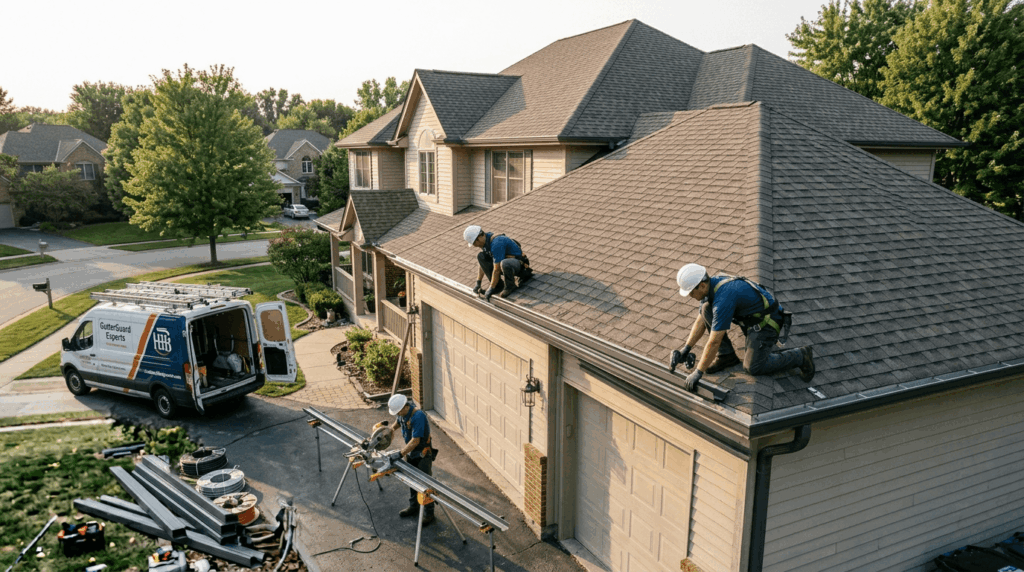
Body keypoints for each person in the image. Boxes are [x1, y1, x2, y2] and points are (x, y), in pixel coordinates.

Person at [670, 263, 815, 391]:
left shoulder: (723, 298)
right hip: (752, 319)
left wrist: (698, 372)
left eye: (691, 292)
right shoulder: (711, 286)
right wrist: (686, 349)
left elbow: (714, 341)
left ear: (701, 285)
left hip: (767, 323)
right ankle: (726, 356)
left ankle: (801, 355)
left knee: (753, 367)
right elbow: (702, 319)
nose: (690, 296)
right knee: (706, 309)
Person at [388, 394, 435, 525]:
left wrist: (401, 453)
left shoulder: (418, 416)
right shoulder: (403, 414)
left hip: (422, 455)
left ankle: (429, 513)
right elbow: (398, 422)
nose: (398, 415)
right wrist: (390, 430)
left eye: (398, 412)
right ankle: (414, 507)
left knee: (426, 485)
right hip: (411, 453)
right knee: (412, 482)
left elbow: (415, 441)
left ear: (405, 407)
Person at [463, 225, 532, 301]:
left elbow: (497, 270)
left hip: (520, 265)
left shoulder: (496, 243)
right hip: (507, 264)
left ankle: (510, 286)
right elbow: (482, 264)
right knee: (481, 256)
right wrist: (478, 282)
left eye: (474, 244)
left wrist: (490, 288)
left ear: (478, 238)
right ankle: (498, 286)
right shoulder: (485, 242)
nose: (476, 246)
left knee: (504, 263)